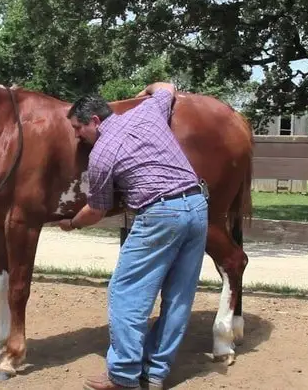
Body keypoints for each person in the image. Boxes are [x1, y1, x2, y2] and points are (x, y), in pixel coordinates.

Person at [58, 82, 209, 390]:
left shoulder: (101, 154)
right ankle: (155, 373)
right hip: (197, 205)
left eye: (78, 128)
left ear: (95, 121)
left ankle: (124, 375)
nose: (76, 135)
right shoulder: (148, 112)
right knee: (178, 296)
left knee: (126, 292)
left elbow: (96, 210)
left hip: (161, 214)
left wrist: (71, 223)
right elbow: (167, 86)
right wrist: (147, 88)